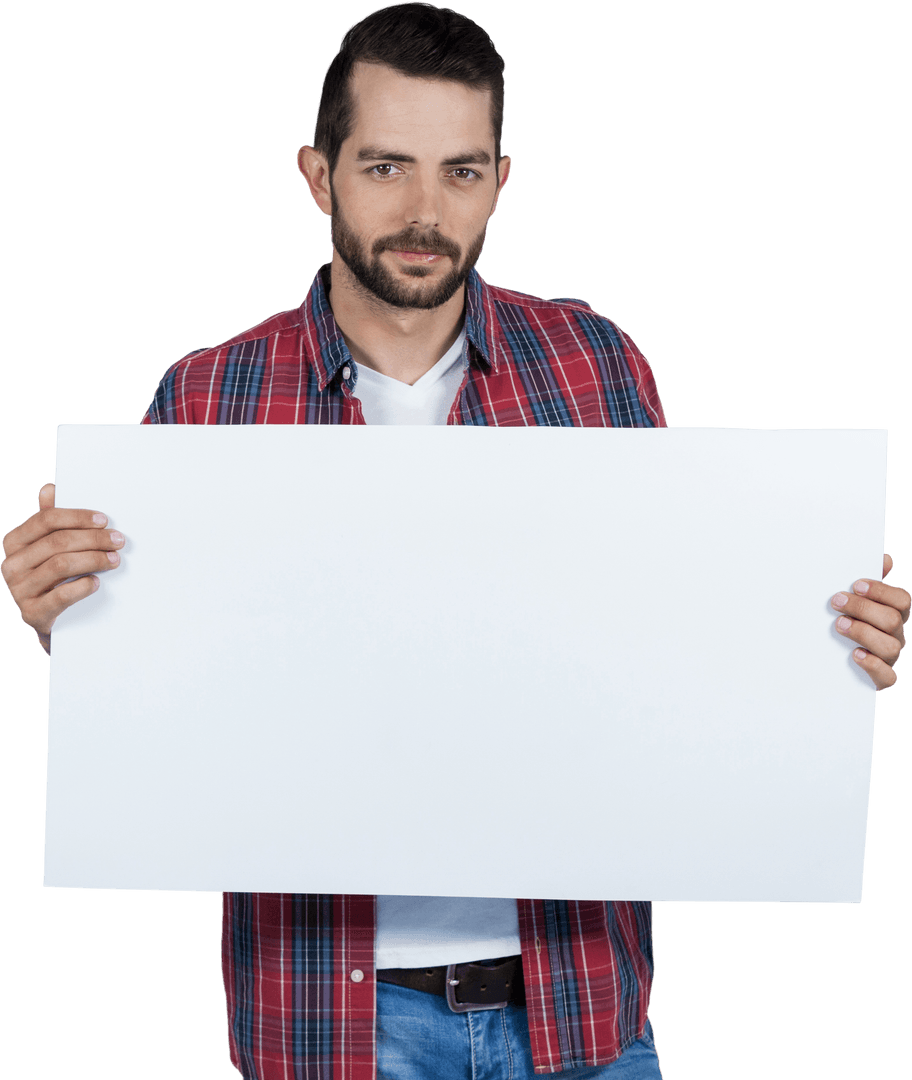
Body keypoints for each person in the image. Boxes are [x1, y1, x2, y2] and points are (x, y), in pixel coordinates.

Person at [1, 4, 908, 1079]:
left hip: (576, 1009)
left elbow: (666, 637)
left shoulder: (595, 365)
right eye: (386, 167)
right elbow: (173, 688)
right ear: (317, 174)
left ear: (500, 181)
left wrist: (820, 640)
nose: (426, 211)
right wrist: (74, 619)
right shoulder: (206, 397)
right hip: (328, 1021)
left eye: (461, 172)